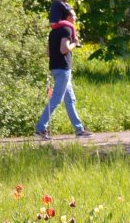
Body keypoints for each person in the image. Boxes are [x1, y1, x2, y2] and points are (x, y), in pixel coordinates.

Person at [36, 8, 91, 140]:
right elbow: (64, 49)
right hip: (63, 68)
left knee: (70, 99)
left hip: (55, 67)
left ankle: (79, 129)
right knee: (56, 99)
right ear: (67, 17)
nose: (76, 18)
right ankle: (40, 128)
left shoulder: (53, 31)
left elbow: (48, 53)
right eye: (74, 16)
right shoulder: (67, 30)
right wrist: (74, 43)